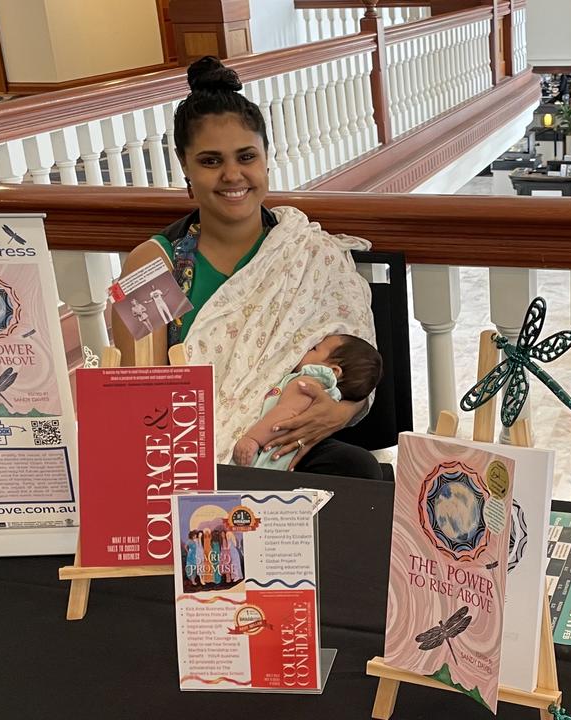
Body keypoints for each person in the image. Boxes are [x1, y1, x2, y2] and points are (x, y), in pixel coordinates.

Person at [114, 56, 382, 479]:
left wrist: (339, 409)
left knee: (357, 469)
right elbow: (137, 389)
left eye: (245, 157)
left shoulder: (308, 251)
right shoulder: (156, 265)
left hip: (284, 443)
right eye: (210, 161)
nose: (232, 175)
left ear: (266, 159)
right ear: (185, 167)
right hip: (187, 453)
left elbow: (355, 363)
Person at [233, 334, 383, 469]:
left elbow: (286, 416)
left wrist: (252, 439)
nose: (307, 349)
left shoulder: (309, 382)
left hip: (260, 452)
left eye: (315, 349)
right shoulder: (330, 396)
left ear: (334, 370)